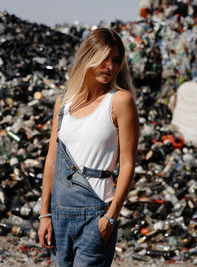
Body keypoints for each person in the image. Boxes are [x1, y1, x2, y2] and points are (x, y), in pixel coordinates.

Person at [38, 27, 140, 267]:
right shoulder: (63, 102)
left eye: (116, 60)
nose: (111, 66)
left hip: (96, 214)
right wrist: (45, 214)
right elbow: (52, 160)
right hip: (59, 214)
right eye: (104, 58)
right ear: (88, 58)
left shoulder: (120, 101)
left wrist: (111, 217)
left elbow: (127, 164)